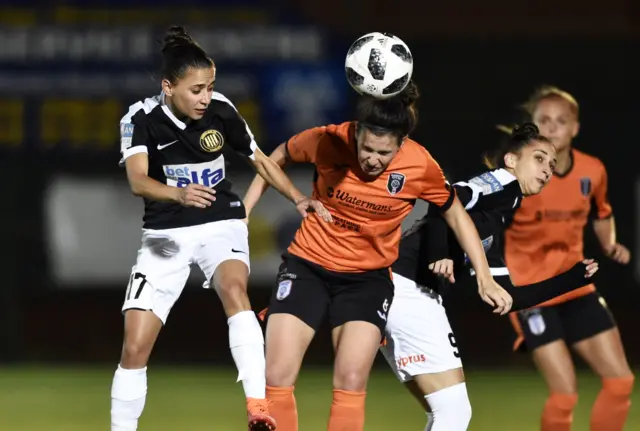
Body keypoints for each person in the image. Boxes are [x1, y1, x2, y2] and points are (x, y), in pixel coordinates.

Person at [242, 81, 514, 431]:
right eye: (366, 148)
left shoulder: (419, 165)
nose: (372, 159)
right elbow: (274, 156)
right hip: (307, 266)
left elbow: (456, 214)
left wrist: (486, 276)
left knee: (351, 379)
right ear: (357, 133)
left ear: (401, 144)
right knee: (277, 372)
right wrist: (250, 208)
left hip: (366, 280)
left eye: (383, 154)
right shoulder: (330, 139)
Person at [112, 25, 331, 431]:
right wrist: (178, 194)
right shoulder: (140, 119)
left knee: (234, 290)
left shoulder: (222, 110)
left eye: (210, 87)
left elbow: (261, 159)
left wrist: (297, 199)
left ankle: (257, 407)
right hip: (165, 236)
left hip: (220, 221)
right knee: (135, 345)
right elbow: (137, 180)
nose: (205, 97)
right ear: (168, 86)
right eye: (196, 90)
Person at [381, 122, 599, 431]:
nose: (548, 169)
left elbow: (509, 298)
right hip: (407, 289)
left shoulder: (494, 221)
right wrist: (438, 253)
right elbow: (446, 197)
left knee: (444, 412)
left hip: (396, 289)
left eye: (552, 164)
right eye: (538, 158)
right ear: (511, 160)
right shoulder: (503, 185)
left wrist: (574, 278)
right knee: (453, 414)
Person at [505, 86, 634, 431]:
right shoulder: (514, 176)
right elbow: (475, 219)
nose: (552, 127)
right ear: (531, 125)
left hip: (576, 286)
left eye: (561, 121)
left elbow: (602, 212)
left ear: (575, 128)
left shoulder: (592, 170)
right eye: (544, 120)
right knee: (565, 394)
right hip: (532, 292)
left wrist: (609, 243)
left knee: (620, 382)